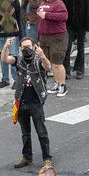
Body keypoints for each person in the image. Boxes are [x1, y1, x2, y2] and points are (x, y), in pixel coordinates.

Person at [4, 38, 53, 169]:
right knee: (25, 132)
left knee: (41, 131)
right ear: (20, 48)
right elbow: (5, 59)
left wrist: (42, 54)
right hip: (22, 101)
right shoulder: (19, 60)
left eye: (29, 46)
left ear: (34, 46)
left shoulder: (38, 60)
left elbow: (48, 67)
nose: (26, 49)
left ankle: (47, 158)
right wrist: (5, 47)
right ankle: (27, 157)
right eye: (24, 46)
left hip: (36, 101)